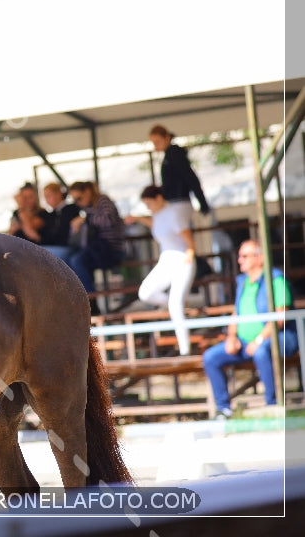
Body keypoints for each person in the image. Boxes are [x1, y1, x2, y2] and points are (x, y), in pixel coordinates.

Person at [203, 240, 298, 419]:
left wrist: (259, 340)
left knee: (261, 352)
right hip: (246, 343)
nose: (240, 260)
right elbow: (236, 314)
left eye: (244, 256)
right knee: (211, 357)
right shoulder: (243, 283)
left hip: (279, 339)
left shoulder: (275, 279)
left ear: (259, 258)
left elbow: (280, 317)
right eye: (239, 256)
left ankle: (273, 405)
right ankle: (224, 409)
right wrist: (231, 337)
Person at [125, 185, 196, 355]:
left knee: (175, 304)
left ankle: (185, 349)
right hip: (166, 260)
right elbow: (156, 224)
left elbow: (188, 239)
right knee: (146, 293)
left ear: (159, 198)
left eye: (149, 203)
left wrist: (190, 255)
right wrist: (138, 218)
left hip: (182, 259)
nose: (149, 207)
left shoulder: (174, 214)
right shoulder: (158, 215)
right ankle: (180, 306)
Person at [66, 181, 126, 314]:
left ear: (87, 192)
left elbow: (108, 220)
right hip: (98, 249)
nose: (78, 202)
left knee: (77, 261)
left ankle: (90, 302)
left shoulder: (103, 201)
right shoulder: (88, 208)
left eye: (79, 198)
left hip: (110, 249)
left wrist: (85, 220)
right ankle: (89, 300)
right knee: (76, 262)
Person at [149, 124, 210, 227]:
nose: (156, 145)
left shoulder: (175, 154)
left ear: (167, 138)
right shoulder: (169, 156)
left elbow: (190, 177)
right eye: (154, 143)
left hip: (179, 202)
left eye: (158, 142)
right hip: (174, 203)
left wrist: (202, 203)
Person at [39, 182, 82, 262]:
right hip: (58, 247)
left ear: (58, 194)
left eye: (48, 196)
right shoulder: (52, 214)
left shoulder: (71, 208)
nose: (47, 201)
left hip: (69, 246)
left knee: (39, 254)